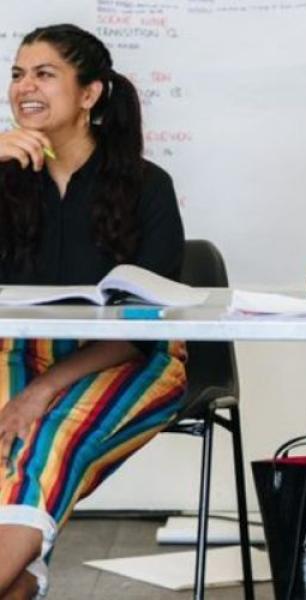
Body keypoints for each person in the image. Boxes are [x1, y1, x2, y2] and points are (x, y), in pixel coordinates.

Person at [0, 24, 186, 599]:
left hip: (130, 361)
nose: (25, 87)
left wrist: (41, 391)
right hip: (18, 351)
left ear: (90, 94)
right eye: (17, 74)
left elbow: (143, 329)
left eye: (44, 73)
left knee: (45, 438)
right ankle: (21, 579)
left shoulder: (146, 187)